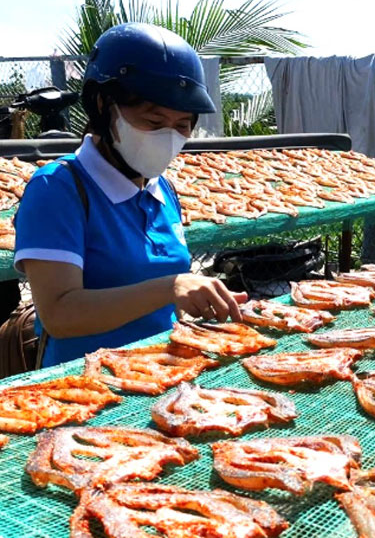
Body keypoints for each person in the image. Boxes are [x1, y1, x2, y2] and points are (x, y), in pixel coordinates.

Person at [13, 22, 247, 368]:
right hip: (83, 389)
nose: (169, 137)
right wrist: (169, 287)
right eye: (153, 122)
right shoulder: (58, 188)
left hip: (159, 375)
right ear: (103, 105)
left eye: (182, 125)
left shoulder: (161, 188)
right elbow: (60, 314)